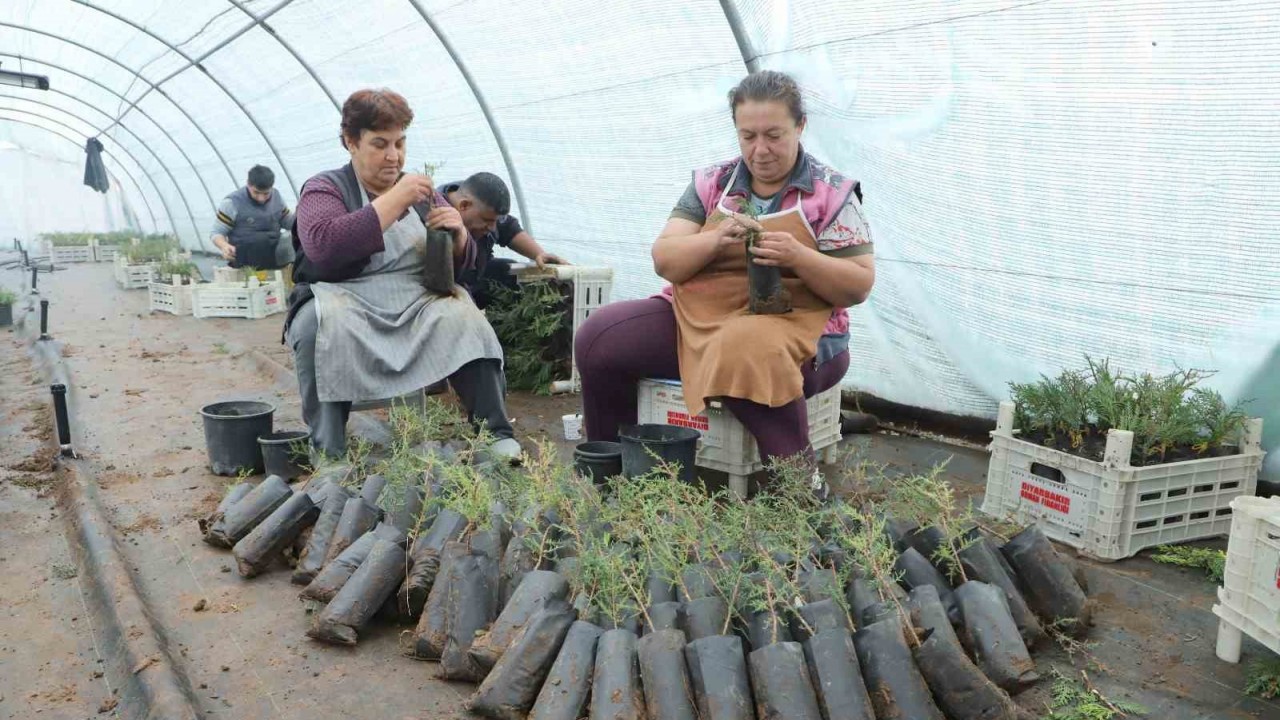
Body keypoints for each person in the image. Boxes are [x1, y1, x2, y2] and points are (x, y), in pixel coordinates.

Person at [574, 70, 875, 492]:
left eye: (774, 134)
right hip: (700, 316)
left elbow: (857, 285)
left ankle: (797, 487)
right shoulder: (713, 184)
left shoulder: (831, 194)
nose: (761, 149)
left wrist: (798, 256)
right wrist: (714, 240)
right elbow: (667, 259)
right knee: (599, 337)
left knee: (745, 345)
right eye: (747, 136)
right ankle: (614, 474)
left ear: (800, 126)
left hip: (805, 333)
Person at [283, 88, 522, 462]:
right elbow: (324, 246)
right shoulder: (325, 188)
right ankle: (329, 451)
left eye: (399, 143)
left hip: (416, 303)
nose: (393, 156)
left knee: (463, 315)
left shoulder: (422, 192)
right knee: (317, 325)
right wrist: (397, 198)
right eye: (380, 144)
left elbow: (467, 267)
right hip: (347, 300)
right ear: (350, 142)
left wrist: (459, 237)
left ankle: (495, 435)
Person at [440, 172, 567, 309]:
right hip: (445, 288)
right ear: (464, 206)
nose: (492, 227)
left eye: (496, 221)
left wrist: (539, 254)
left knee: (508, 273)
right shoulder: (431, 217)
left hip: (476, 275)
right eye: (488, 221)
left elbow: (508, 228)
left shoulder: (482, 205)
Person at [210, 165, 295, 269]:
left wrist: (302, 215)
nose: (261, 198)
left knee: (294, 237)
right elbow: (216, 232)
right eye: (256, 192)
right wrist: (224, 246)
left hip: (274, 252)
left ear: (272, 187)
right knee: (259, 240)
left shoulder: (276, 196)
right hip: (246, 257)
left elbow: (288, 221)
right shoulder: (232, 203)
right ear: (248, 184)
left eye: (266, 193)